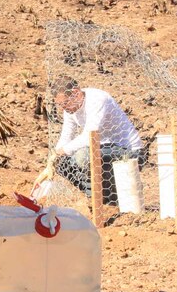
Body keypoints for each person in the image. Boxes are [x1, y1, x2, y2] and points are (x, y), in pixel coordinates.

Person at [33, 75, 142, 205]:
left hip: (127, 150)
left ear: (76, 93)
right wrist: (51, 163)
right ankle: (100, 199)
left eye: (65, 103)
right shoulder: (70, 110)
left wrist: (60, 152)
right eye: (60, 105)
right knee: (61, 164)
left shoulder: (97, 99)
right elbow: (66, 136)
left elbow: (89, 136)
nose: (64, 108)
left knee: (82, 156)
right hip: (102, 150)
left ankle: (107, 199)